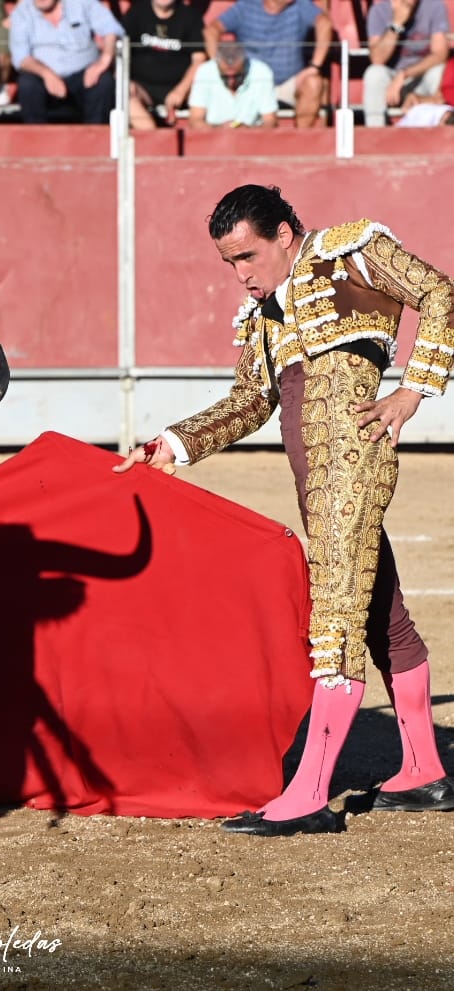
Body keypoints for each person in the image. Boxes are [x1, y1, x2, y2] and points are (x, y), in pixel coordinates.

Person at [115, 184, 454, 836]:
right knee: (385, 619)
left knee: (333, 625)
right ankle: (422, 768)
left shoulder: (350, 253)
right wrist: (172, 443)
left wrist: (412, 393)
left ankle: (308, 793)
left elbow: (439, 291)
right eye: (230, 263)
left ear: (285, 235)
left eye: (248, 255)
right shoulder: (268, 315)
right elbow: (248, 402)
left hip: (349, 472)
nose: (242, 274)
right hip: (316, 484)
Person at [203, 0, 333, 128]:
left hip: (287, 84)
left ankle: (302, 140)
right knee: (229, 82)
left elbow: (325, 23)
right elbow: (211, 30)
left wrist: (315, 66)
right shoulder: (246, 6)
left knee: (313, 82)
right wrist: (217, 65)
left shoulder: (301, 5)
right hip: (250, 83)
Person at [8, 0, 123, 124]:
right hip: (43, 76)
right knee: (27, 84)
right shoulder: (22, 12)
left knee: (104, 81)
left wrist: (104, 61)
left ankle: (96, 136)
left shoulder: (82, 3)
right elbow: (21, 58)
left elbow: (112, 29)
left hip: (84, 74)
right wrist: (47, 74)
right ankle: (36, 139)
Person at [362, 0, 450, 127]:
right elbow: (377, 59)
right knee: (374, 73)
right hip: (391, 83)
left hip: (422, 77)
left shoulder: (435, 6)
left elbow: (440, 54)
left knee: (440, 71)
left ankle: (441, 131)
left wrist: (405, 74)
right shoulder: (378, 11)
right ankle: (375, 134)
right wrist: (397, 23)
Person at [122, 0, 205, 130]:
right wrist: (128, 82)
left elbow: (199, 60)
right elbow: (121, 54)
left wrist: (180, 91)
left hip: (182, 90)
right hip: (143, 89)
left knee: (207, 88)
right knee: (124, 93)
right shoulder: (136, 13)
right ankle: (152, 138)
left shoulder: (190, 16)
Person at [187, 38, 277, 128]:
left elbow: (270, 121)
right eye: (225, 77)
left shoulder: (261, 71)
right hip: (212, 138)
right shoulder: (205, 71)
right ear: (217, 65)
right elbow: (195, 120)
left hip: (253, 138)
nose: (231, 82)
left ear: (244, 64)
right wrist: (219, 130)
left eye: (237, 76)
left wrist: (249, 132)